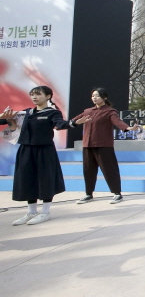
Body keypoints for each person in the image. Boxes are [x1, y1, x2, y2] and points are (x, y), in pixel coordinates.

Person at [0, 86, 86, 225]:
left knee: (45, 179)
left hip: (45, 151)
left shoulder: (53, 113)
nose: (34, 97)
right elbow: (5, 121)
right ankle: (31, 212)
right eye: (32, 94)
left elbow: (60, 124)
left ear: (48, 96)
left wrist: (73, 123)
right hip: (26, 150)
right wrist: (2, 117)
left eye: (38, 94)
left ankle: (45, 212)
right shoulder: (26, 112)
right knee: (27, 179)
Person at [71, 88, 139, 205]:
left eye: (97, 96)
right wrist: (69, 123)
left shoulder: (109, 111)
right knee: (88, 170)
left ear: (104, 98)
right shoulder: (88, 111)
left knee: (109, 169)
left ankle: (117, 193)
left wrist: (128, 128)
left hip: (103, 145)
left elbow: (117, 121)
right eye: (93, 96)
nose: (94, 98)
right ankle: (88, 194)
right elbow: (74, 120)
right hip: (88, 145)